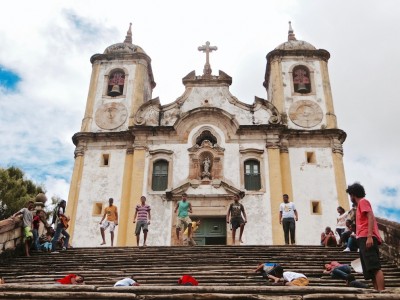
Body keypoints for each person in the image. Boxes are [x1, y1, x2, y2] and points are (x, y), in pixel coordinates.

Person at [346, 182, 385, 291]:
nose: (350, 198)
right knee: (370, 269)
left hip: (366, 237)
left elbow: (370, 217)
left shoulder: (363, 202)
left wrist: (369, 236)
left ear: (353, 194)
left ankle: (381, 291)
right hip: (362, 238)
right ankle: (377, 291)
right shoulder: (360, 206)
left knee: (375, 266)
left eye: (350, 195)